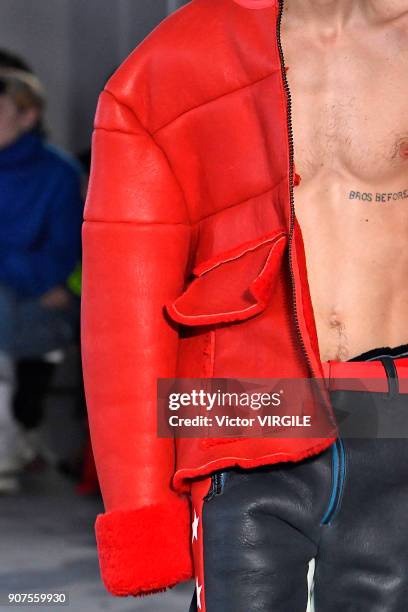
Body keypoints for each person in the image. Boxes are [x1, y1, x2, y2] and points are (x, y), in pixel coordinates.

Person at [80, 0, 408, 610]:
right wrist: (140, 513)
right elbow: (125, 305)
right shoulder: (174, 61)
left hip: (396, 400)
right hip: (241, 402)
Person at [0, 68, 83, 493]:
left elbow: (58, 261)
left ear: (27, 116)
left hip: (38, 309)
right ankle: (16, 441)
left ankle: (14, 442)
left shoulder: (59, 175)